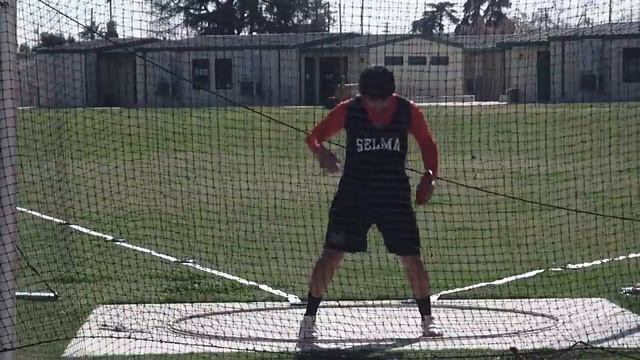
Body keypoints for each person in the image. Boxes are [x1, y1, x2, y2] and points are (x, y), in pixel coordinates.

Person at [299, 65, 441, 339]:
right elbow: (313, 137)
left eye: (381, 99)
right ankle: (308, 320)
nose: (376, 105)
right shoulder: (348, 109)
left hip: (394, 195)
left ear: (392, 94)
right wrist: (321, 153)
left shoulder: (407, 110)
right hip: (354, 195)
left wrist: (430, 176)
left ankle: (428, 320)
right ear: (362, 95)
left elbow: (427, 143)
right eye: (371, 99)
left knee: (412, 257)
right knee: (331, 254)